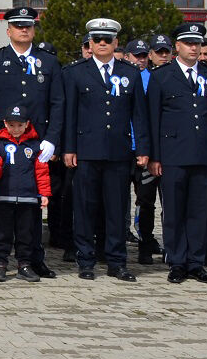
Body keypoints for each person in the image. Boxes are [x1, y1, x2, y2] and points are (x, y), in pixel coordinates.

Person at [0, 6, 62, 280]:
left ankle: (33, 259)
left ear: (34, 29)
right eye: (18, 25)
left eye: (28, 25)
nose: (24, 29)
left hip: (35, 147)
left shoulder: (48, 62)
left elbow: (57, 103)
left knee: (31, 207)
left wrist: (52, 140)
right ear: (8, 30)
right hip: (1, 143)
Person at [60, 18, 147, 282]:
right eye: (96, 39)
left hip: (118, 152)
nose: (101, 44)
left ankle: (116, 261)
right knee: (85, 208)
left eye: (107, 40)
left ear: (116, 42)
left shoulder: (130, 73)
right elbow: (70, 114)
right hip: (86, 151)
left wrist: (142, 148)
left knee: (116, 209)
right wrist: (69, 148)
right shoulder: (75, 73)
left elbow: (139, 115)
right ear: (89, 43)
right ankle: (85, 260)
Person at [147, 21, 207, 285]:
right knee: (173, 211)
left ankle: (196, 262)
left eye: (198, 44)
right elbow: (153, 120)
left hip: (203, 154)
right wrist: (154, 157)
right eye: (189, 44)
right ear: (177, 46)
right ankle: (177, 261)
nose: (194, 48)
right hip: (172, 154)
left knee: (199, 211)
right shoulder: (162, 76)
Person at [0, 105, 51, 282]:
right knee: (2, 234)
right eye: (12, 125)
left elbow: (41, 172)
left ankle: (24, 265)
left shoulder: (35, 145)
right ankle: (0, 265)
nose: (16, 129)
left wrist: (44, 193)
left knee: (26, 234)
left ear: (27, 124)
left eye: (20, 126)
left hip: (28, 198)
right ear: (5, 124)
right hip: (3, 197)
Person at [130, 34, 168, 263]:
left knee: (150, 201)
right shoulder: (126, 76)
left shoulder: (156, 79)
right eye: (138, 55)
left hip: (150, 150)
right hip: (127, 149)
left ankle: (147, 243)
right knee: (129, 201)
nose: (142, 59)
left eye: (145, 55)